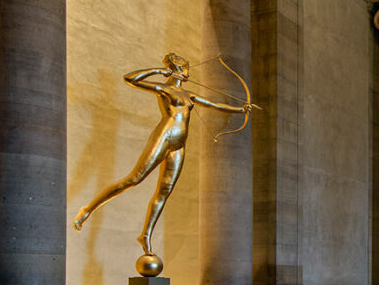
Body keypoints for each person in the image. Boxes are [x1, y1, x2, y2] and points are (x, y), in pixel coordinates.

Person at [73, 53, 256, 256]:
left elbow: (214, 105)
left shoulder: (189, 95)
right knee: (134, 179)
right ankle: (87, 210)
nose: (187, 73)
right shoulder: (164, 89)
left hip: (179, 145)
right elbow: (130, 79)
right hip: (165, 136)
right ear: (176, 69)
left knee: (165, 191)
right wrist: (157, 71)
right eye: (185, 69)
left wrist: (240, 109)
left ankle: (145, 235)